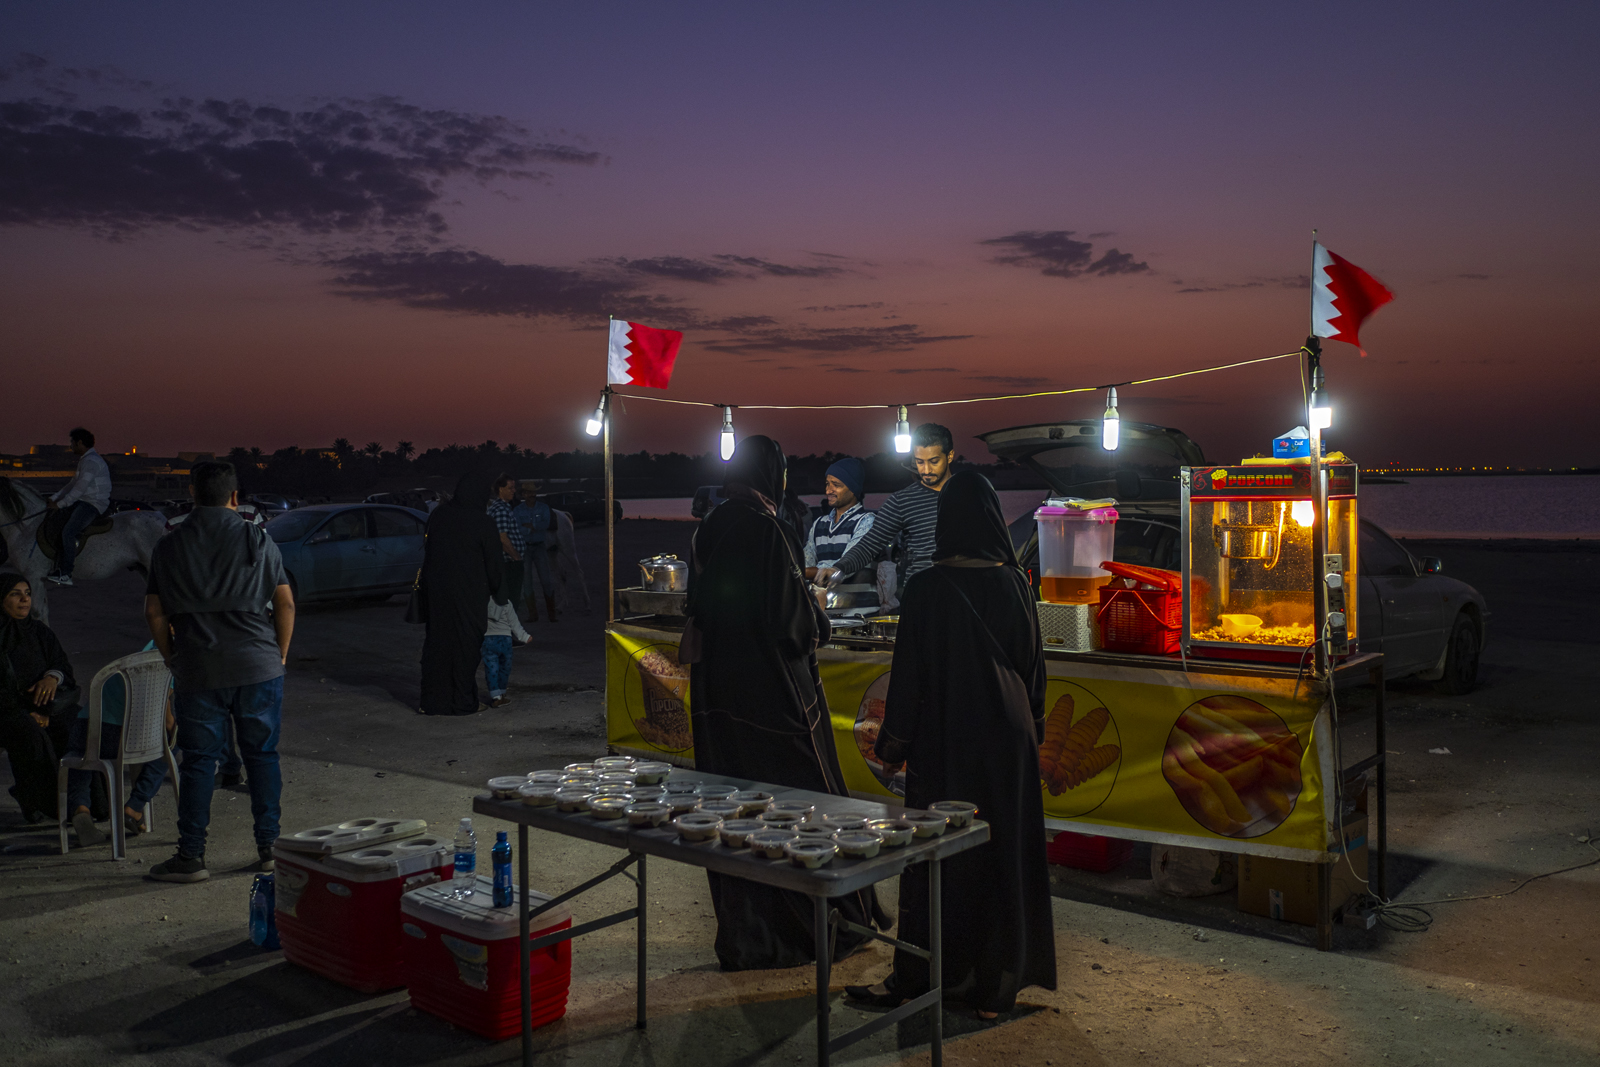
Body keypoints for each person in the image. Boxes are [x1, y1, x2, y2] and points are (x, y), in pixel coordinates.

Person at [845, 471, 1057, 1018]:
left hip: (946, 740)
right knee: (999, 854)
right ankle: (994, 990)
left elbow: (909, 677)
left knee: (934, 858)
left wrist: (892, 746)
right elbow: (1034, 674)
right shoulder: (1016, 583)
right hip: (1007, 741)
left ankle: (918, 978)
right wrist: (1032, 732)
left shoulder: (928, 588)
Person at [683, 435, 884, 970]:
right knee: (802, 800)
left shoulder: (709, 528)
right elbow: (792, 623)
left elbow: (697, 603)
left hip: (717, 695)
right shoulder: (769, 529)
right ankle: (820, 927)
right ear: (774, 476)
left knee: (733, 807)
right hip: (773, 693)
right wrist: (817, 619)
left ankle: (749, 938)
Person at [144, 460, 295, 883]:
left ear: (192, 493)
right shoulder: (258, 539)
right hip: (258, 666)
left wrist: (172, 656)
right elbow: (284, 603)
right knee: (262, 756)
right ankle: (269, 849)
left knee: (198, 763)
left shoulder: (168, 546)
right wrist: (279, 654)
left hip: (198, 669)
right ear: (234, 497)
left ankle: (191, 857)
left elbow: (154, 610)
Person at [819, 423, 956, 598]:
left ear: (950, 455)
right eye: (920, 462)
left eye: (933, 461)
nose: (926, 470)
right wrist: (839, 568)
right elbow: (870, 544)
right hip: (921, 594)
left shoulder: (971, 492)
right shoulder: (902, 501)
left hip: (964, 594)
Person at [62, 639, 172, 846]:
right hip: (123, 737)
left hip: (86, 725)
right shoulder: (167, 661)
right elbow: (166, 720)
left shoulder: (142, 655)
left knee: (80, 754)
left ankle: (80, 808)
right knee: (168, 748)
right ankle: (134, 808)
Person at [417, 471, 502, 715]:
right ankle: (463, 702)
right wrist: (498, 592)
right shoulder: (482, 522)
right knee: (466, 645)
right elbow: (494, 564)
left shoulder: (439, 515)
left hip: (437, 594)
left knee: (438, 644)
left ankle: (432, 701)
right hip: (469, 594)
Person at [0, 573, 73, 822]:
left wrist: (52, 678)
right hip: (6, 709)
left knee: (76, 723)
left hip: (44, 707)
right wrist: (28, 711)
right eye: (15, 594)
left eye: (28, 593)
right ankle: (47, 804)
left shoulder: (39, 631)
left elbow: (61, 664)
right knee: (29, 733)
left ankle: (85, 804)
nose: (24, 599)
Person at [802, 457, 879, 614]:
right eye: (827, 484)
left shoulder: (867, 521)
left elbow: (846, 564)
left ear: (853, 489)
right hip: (827, 616)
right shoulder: (819, 524)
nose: (828, 490)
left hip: (860, 615)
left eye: (836, 485)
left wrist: (797, 571)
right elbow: (807, 562)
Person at [45, 426, 112, 587]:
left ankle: (66, 573)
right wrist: (54, 498)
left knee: (68, 532)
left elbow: (79, 489)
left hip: (93, 504)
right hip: (84, 501)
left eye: (72, 443)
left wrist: (60, 504)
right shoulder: (86, 460)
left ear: (80, 442)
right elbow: (72, 484)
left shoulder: (91, 462)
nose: (71, 446)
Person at [513, 484, 558, 622]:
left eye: (533, 492)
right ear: (523, 494)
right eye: (529, 492)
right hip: (525, 547)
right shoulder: (518, 510)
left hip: (539, 546)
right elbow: (517, 527)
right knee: (527, 582)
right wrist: (533, 528)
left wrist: (529, 527)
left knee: (546, 580)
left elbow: (546, 524)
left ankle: (551, 613)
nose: (532, 495)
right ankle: (534, 614)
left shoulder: (542, 508)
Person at [481, 593, 532, 708]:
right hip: (505, 640)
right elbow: (514, 623)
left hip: (488, 639)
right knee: (505, 668)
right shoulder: (506, 603)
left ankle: (496, 696)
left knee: (491, 669)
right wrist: (524, 636)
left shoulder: (482, 602)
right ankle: (502, 691)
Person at [487, 474, 524, 605]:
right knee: (511, 600)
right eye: (510, 488)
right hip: (509, 564)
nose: (514, 491)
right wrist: (517, 558)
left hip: (507, 562)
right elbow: (502, 538)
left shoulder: (501, 508)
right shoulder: (501, 510)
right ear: (500, 489)